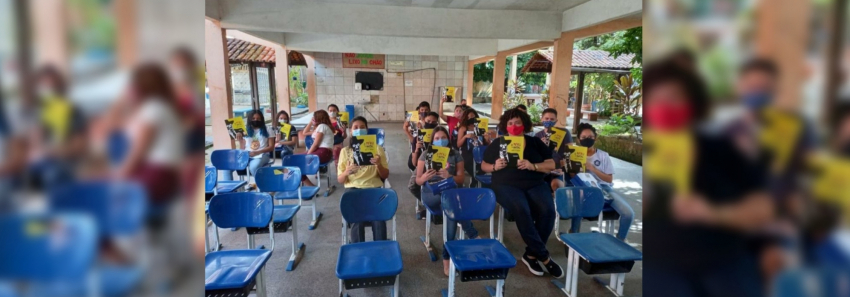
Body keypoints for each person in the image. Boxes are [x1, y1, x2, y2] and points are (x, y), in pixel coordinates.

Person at [642, 61, 773, 297]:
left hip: (724, 265)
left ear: (693, 103)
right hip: (661, 270)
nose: (664, 106)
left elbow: (763, 209)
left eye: (673, 97)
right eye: (655, 100)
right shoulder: (648, 153)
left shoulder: (722, 149)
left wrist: (712, 213)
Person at [481, 108, 563, 278]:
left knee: (548, 211)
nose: (514, 126)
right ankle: (544, 256)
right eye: (510, 123)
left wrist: (533, 166)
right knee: (522, 209)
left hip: (534, 182)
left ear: (524, 124)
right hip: (505, 184)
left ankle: (531, 254)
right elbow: (484, 166)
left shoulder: (534, 142)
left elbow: (551, 164)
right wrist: (495, 167)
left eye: (517, 122)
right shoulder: (498, 143)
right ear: (505, 126)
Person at [115, 64, 185, 203]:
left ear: (141, 87)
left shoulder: (154, 109)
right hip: (159, 175)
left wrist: (116, 178)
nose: (127, 90)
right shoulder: (155, 108)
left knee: (97, 189)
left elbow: (137, 154)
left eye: (132, 85)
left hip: (156, 175)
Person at [414, 126, 477, 276]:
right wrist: (425, 178)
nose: (440, 140)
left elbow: (461, 179)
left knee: (450, 209)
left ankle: (446, 258)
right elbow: (418, 180)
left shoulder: (455, 154)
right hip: (431, 193)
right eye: (436, 138)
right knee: (452, 205)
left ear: (448, 139)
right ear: (432, 141)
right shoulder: (425, 155)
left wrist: (449, 176)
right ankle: (472, 233)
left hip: (450, 192)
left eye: (443, 138)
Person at [337, 116, 390, 243]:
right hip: (353, 190)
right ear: (350, 131)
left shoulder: (377, 149)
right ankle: (357, 248)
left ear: (367, 130)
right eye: (355, 128)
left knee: (378, 218)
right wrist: (347, 172)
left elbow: (385, 175)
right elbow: (340, 179)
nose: (359, 130)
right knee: (357, 218)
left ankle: (380, 247)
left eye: (362, 127)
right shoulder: (345, 151)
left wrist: (378, 165)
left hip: (374, 189)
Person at [220, 110, 274, 182]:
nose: (256, 120)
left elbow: (271, 147)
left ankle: (263, 186)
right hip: (246, 154)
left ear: (262, 119)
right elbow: (242, 148)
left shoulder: (268, 129)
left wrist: (257, 152)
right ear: (249, 119)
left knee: (253, 167)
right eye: (253, 118)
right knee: (226, 167)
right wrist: (240, 140)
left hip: (262, 154)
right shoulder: (244, 130)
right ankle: (229, 190)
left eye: (258, 118)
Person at [408, 112, 440, 215]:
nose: (431, 123)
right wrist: (417, 149)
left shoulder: (440, 136)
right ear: (423, 122)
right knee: (412, 185)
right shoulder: (418, 138)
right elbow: (414, 163)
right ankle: (427, 203)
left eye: (434, 122)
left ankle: (438, 203)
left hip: (439, 164)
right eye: (428, 121)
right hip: (422, 166)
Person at [535, 108, 572, 192]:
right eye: (546, 118)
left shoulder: (564, 132)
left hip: (560, 169)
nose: (549, 121)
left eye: (552, 119)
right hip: (544, 169)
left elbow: (570, 152)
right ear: (542, 119)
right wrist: (541, 145)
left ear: (556, 120)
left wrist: (563, 166)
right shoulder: (537, 136)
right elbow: (535, 156)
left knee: (556, 184)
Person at [456, 109, 493, 188]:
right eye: (468, 117)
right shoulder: (463, 128)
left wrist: (487, 138)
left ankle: (478, 186)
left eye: (473, 116)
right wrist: (465, 136)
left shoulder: (481, 127)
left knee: (481, 170)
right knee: (474, 171)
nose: (471, 119)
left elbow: (486, 144)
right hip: (467, 154)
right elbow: (458, 144)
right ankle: (474, 186)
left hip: (480, 153)